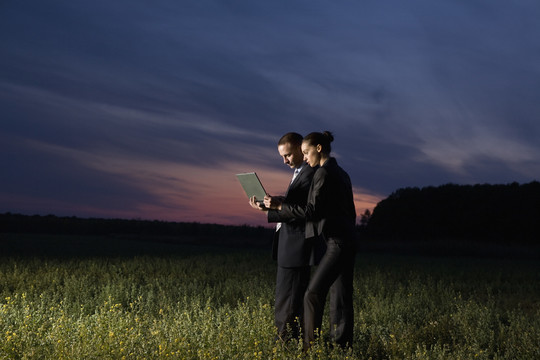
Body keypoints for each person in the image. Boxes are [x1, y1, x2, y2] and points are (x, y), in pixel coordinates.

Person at [266, 131, 356, 349]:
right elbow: (344, 210)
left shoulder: (322, 173)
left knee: (313, 294)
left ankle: (309, 348)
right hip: (346, 238)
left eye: (305, 152)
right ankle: (340, 347)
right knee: (341, 296)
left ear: (317, 149)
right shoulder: (341, 172)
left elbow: (312, 211)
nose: (304, 157)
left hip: (337, 242)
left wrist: (280, 206)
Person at [248, 132, 323, 342]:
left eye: (288, 155)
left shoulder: (310, 172)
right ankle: (290, 344)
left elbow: (305, 211)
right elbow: (293, 206)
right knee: (289, 303)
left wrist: (276, 207)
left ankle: (284, 346)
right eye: (282, 156)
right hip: (290, 247)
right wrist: (268, 207)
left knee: (288, 304)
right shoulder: (301, 171)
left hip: (296, 248)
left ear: (301, 149)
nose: (285, 160)